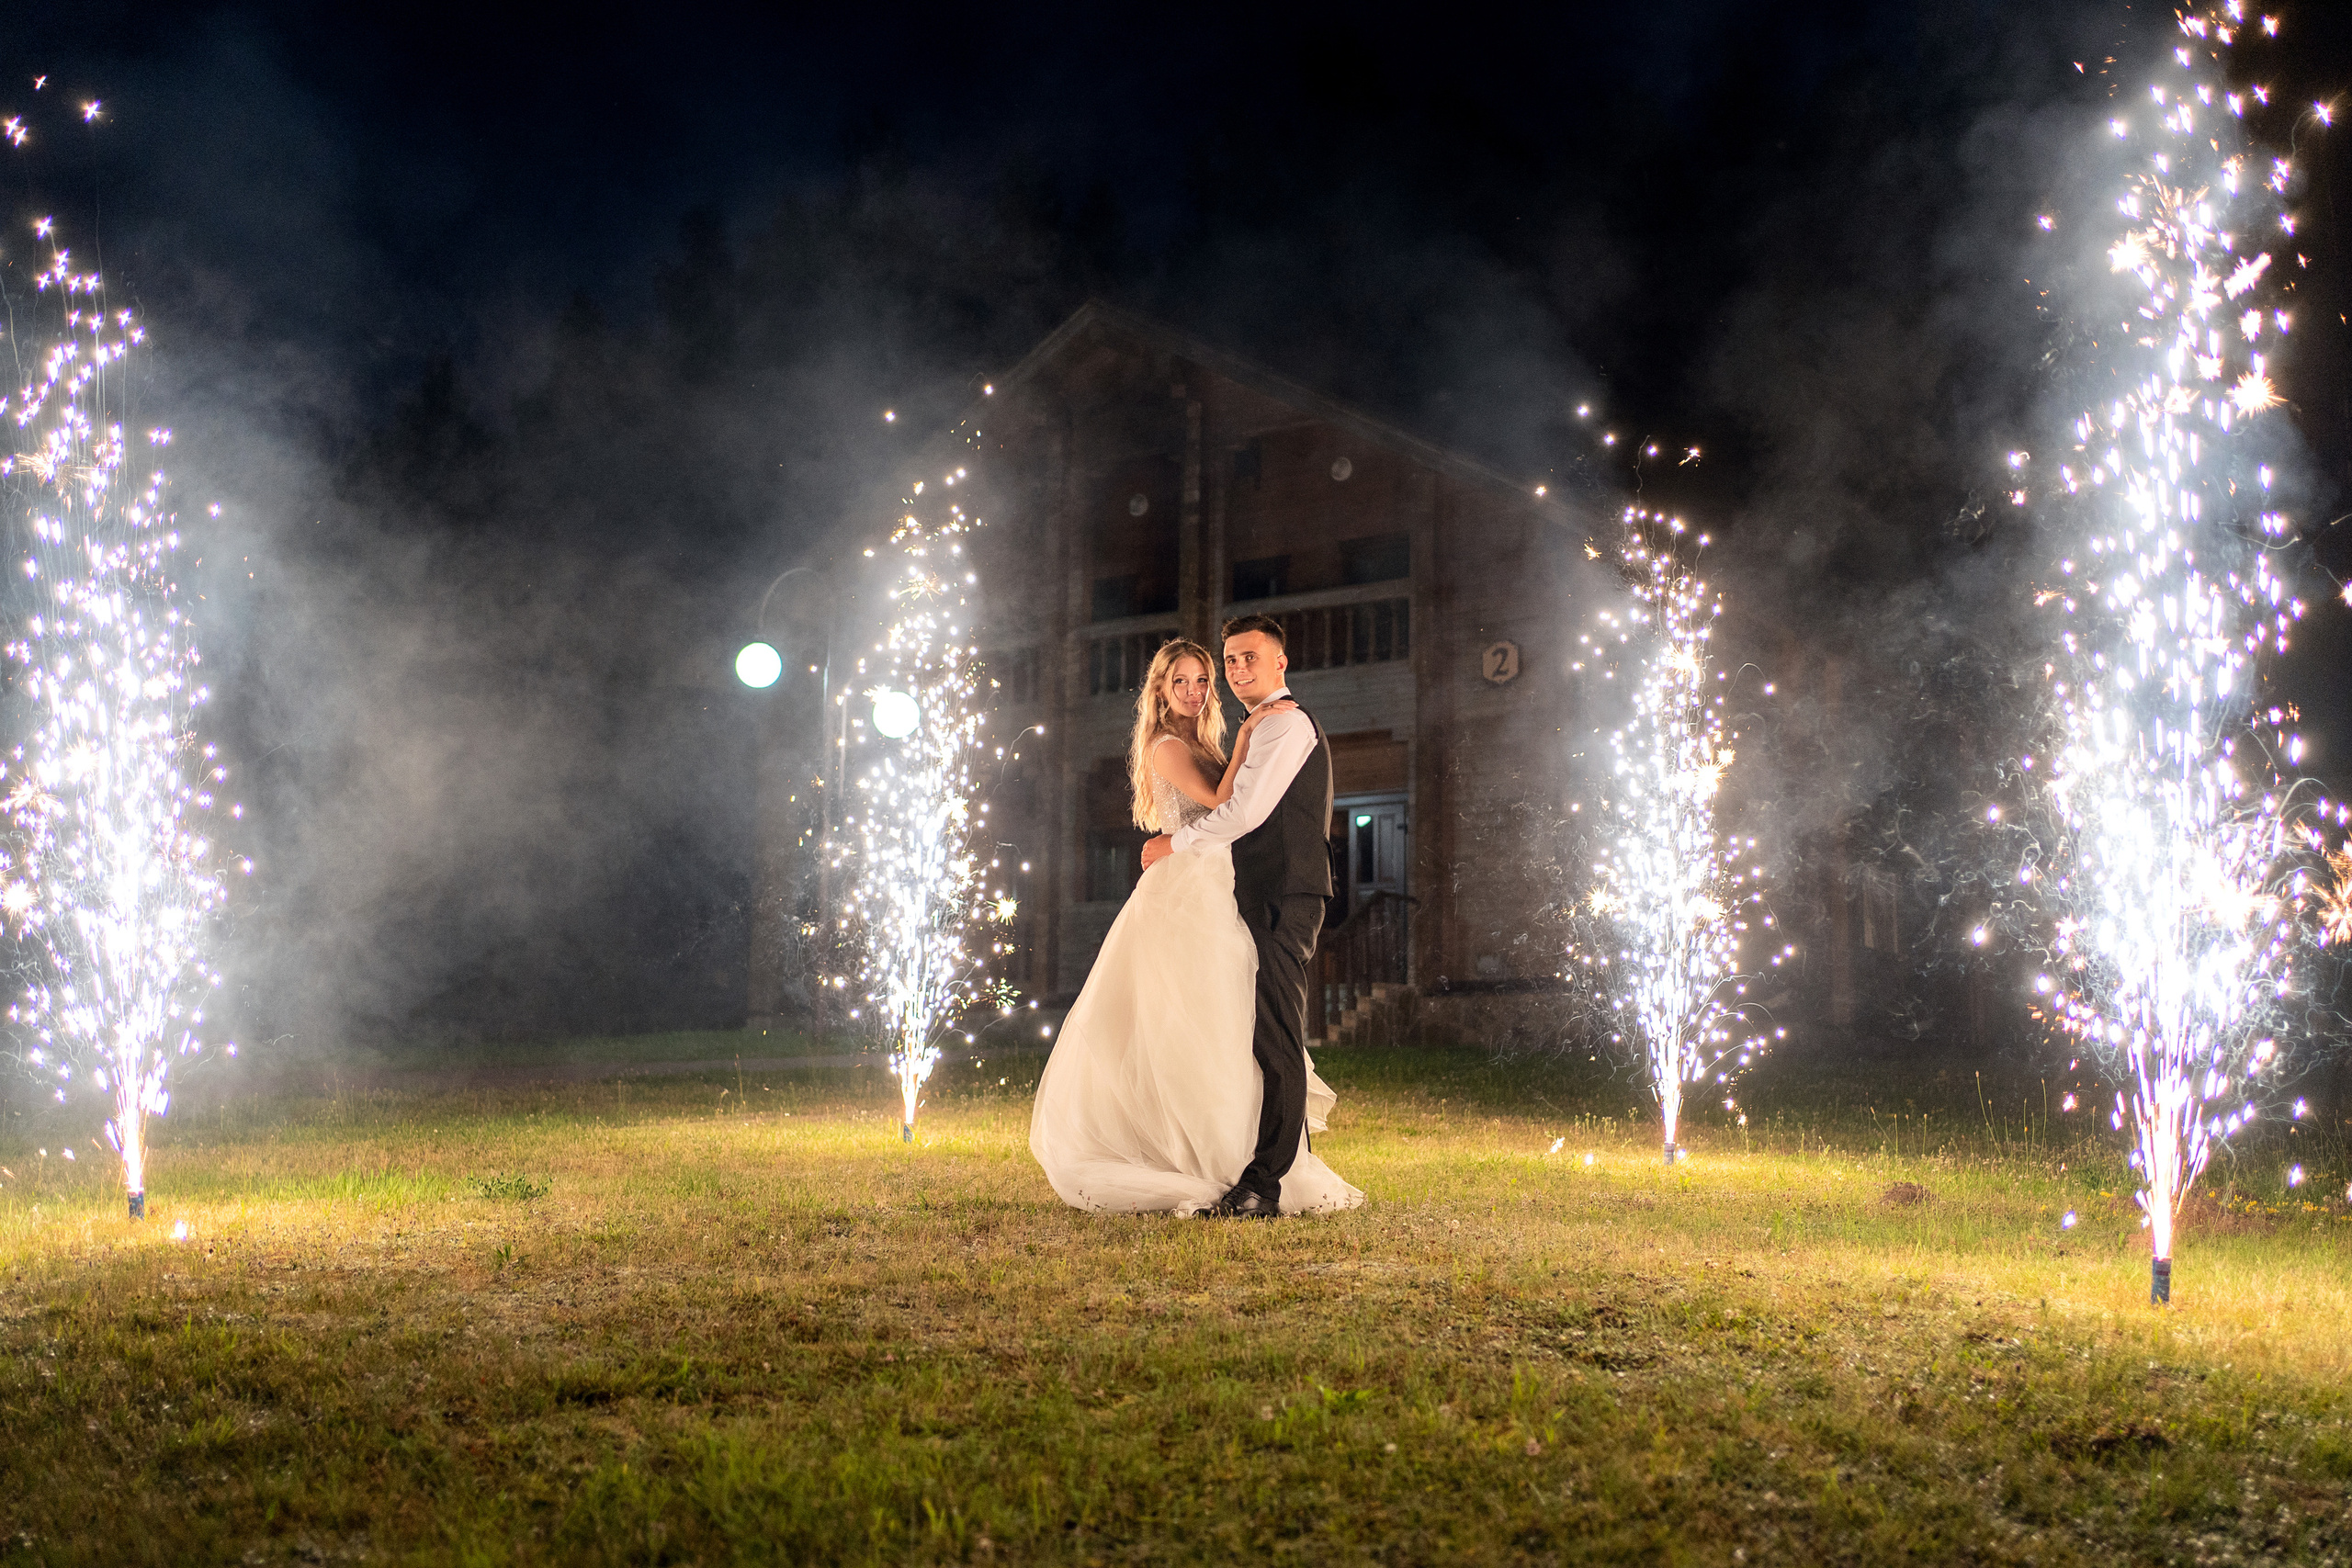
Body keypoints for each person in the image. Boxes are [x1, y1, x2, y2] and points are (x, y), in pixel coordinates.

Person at [1029, 634, 1362, 1216]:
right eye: (1180, 680)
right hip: (1185, 891)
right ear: (1160, 689)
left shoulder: (1222, 736)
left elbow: (1242, 809)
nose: (1194, 689)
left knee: (1231, 1024)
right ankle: (1207, 1160)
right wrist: (1245, 739)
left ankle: (1248, 1161)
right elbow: (1224, 799)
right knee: (1189, 1024)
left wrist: (1241, 739)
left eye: (1202, 679)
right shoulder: (1169, 746)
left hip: (1218, 884)